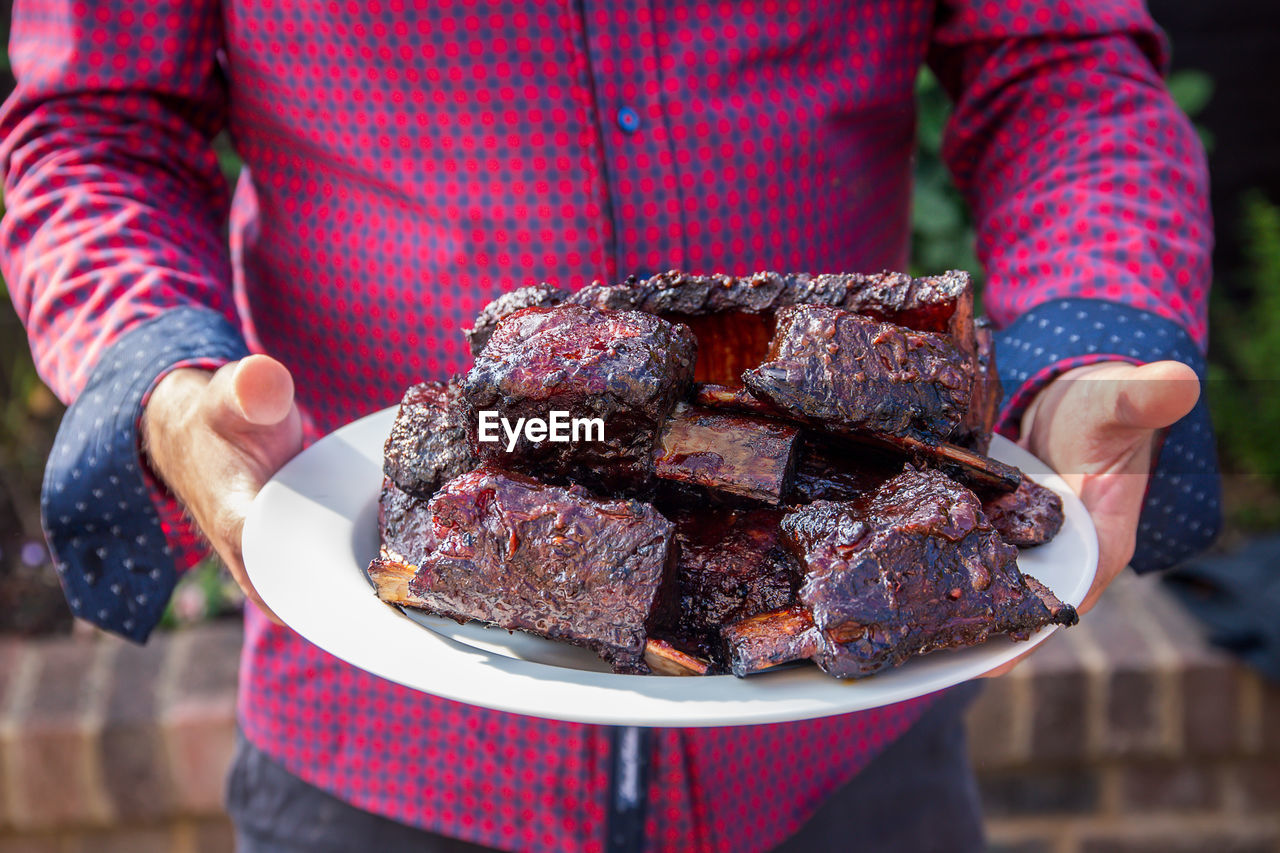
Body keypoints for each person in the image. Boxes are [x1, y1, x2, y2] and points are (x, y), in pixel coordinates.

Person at [0, 1, 1220, 851]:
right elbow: (98, 126)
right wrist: (166, 379)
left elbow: (1056, 62)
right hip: (378, 745)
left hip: (843, 750)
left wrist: (1083, 348)